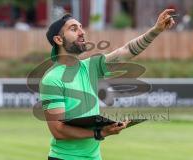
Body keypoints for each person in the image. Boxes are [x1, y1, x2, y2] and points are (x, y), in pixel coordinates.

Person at [40, 9, 176, 160]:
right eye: (73, 28)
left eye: (80, 27)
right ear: (58, 40)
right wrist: (100, 132)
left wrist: (155, 30)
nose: (82, 32)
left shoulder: (90, 67)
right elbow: (58, 131)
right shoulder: (52, 79)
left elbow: (126, 50)